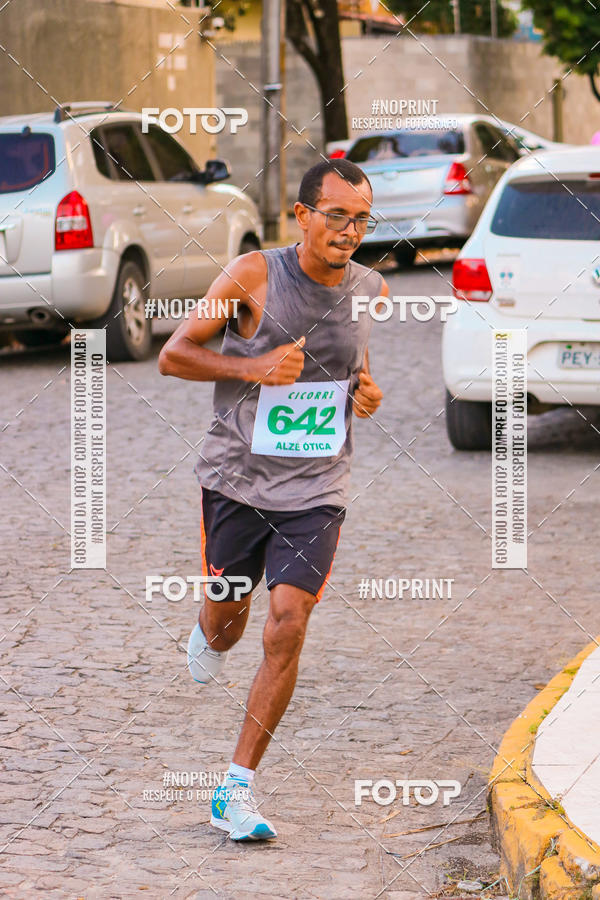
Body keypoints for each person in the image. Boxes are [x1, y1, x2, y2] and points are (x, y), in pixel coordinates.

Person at [158, 158, 389, 841]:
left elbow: (355, 370)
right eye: (337, 216)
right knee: (229, 623)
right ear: (302, 215)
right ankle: (209, 626)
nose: (349, 231)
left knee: (288, 618)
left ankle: (236, 788)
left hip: (317, 486)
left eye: (361, 219)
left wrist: (366, 395)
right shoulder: (254, 275)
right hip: (237, 479)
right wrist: (252, 366)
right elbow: (174, 354)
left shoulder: (370, 288)